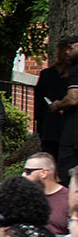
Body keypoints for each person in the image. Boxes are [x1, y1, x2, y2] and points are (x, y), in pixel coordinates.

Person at [39, 34, 78, 180]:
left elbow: (73, 98)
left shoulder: (73, 71)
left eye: (71, 48)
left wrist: (57, 105)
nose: (68, 52)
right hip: (63, 130)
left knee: (64, 173)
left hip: (65, 133)